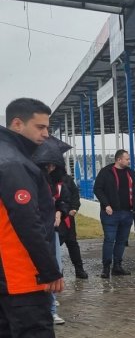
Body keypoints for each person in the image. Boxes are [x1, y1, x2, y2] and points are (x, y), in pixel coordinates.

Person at [0, 97, 90, 338]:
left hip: (6, 271)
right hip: (20, 271)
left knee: (4, 336)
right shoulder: (14, 163)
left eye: (48, 127)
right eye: (40, 127)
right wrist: (50, 270)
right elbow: (28, 223)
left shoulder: (9, 157)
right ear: (17, 124)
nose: (45, 134)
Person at [31, 137, 72, 326]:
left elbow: (64, 201)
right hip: (36, 230)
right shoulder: (31, 178)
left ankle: (52, 309)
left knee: (53, 267)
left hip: (52, 230)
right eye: (49, 165)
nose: (52, 168)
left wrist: (59, 211)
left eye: (54, 165)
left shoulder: (59, 182)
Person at [93, 149, 135, 278]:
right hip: (110, 213)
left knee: (121, 241)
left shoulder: (131, 173)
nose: (129, 161)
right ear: (119, 159)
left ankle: (117, 266)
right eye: (127, 159)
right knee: (109, 240)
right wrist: (106, 204)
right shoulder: (105, 172)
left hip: (127, 213)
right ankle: (106, 267)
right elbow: (97, 189)